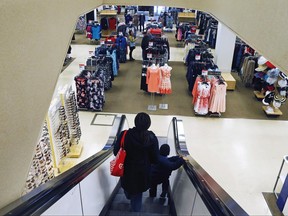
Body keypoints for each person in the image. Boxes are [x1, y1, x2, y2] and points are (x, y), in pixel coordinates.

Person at [113, 112, 159, 212]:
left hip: (126, 171)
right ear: (148, 125)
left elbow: (116, 152)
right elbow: (156, 159)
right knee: (137, 195)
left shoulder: (124, 135)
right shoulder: (152, 138)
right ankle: (135, 211)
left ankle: (129, 195)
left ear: (135, 122)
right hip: (143, 173)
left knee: (128, 189)